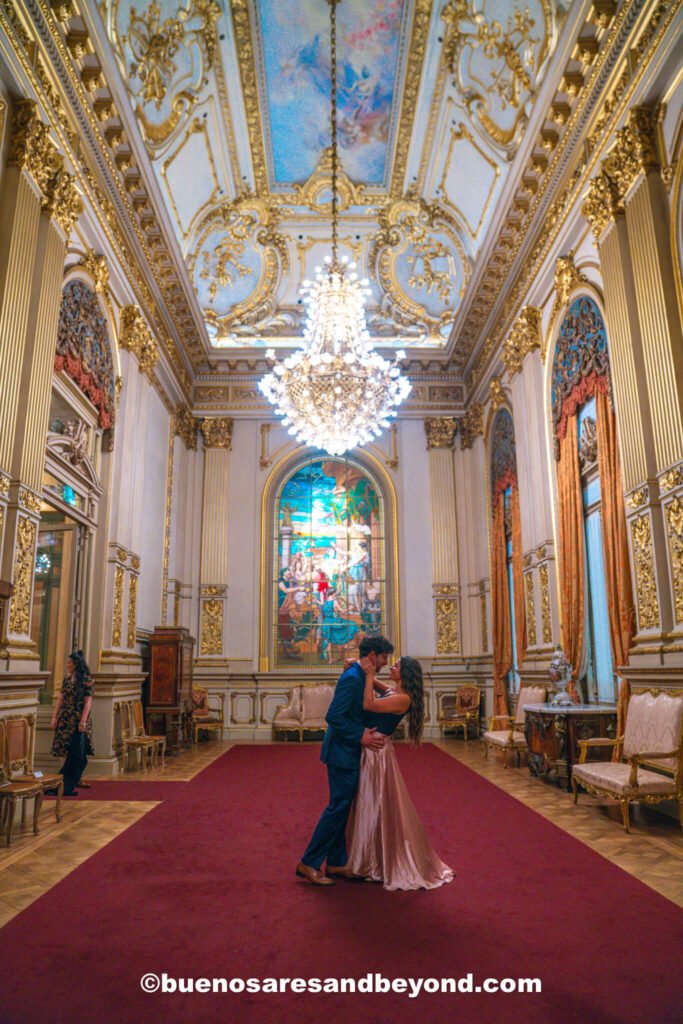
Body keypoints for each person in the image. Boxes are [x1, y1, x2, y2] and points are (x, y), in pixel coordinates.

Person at [345, 656, 454, 890]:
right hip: (372, 750)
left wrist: (371, 674)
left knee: (374, 802)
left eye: (396, 666)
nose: (392, 667)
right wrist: (359, 665)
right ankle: (368, 854)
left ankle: (371, 860)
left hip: (377, 755)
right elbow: (378, 687)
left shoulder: (403, 699)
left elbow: (369, 705)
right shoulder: (395, 691)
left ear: (405, 674)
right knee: (371, 802)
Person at [295, 635, 395, 886]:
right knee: (337, 808)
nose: (385, 662)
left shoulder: (359, 674)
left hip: (346, 752)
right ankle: (308, 863)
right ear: (372, 656)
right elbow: (334, 716)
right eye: (384, 658)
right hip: (341, 753)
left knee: (342, 807)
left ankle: (337, 863)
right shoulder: (353, 678)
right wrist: (360, 736)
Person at [50, 650, 94, 797]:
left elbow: (88, 703)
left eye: (69, 662)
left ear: (75, 664)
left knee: (78, 752)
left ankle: (73, 780)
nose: (67, 665)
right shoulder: (67, 678)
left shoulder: (86, 679)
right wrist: (54, 717)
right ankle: (64, 781)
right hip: (65, 718)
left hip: (79, 719)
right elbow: (60, 699)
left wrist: (82, 721)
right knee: (65, 748)